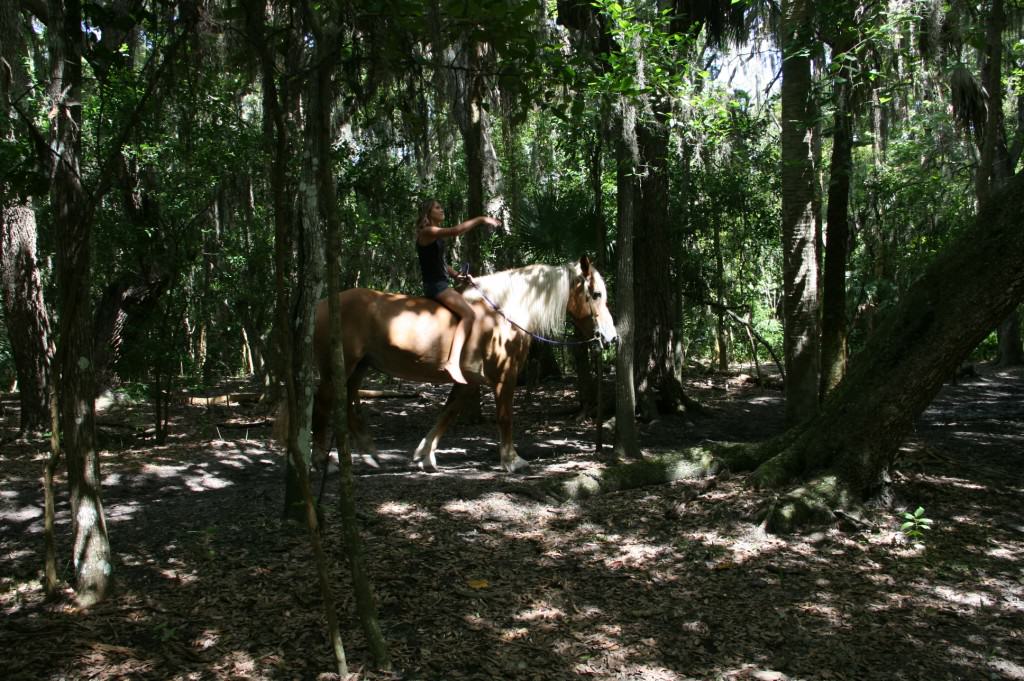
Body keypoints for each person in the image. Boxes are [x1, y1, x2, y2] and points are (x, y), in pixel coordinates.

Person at [414, 198, 501, 384]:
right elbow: (456, 231)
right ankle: (453, 362)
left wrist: (457, 276)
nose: (442, 209)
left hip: (442, 282)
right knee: (469, 314)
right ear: (428, 213)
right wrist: (481, 219)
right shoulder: (428, 232)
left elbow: (441, 264)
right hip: (436, 286)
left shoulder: (434, 237)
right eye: (437, 207)